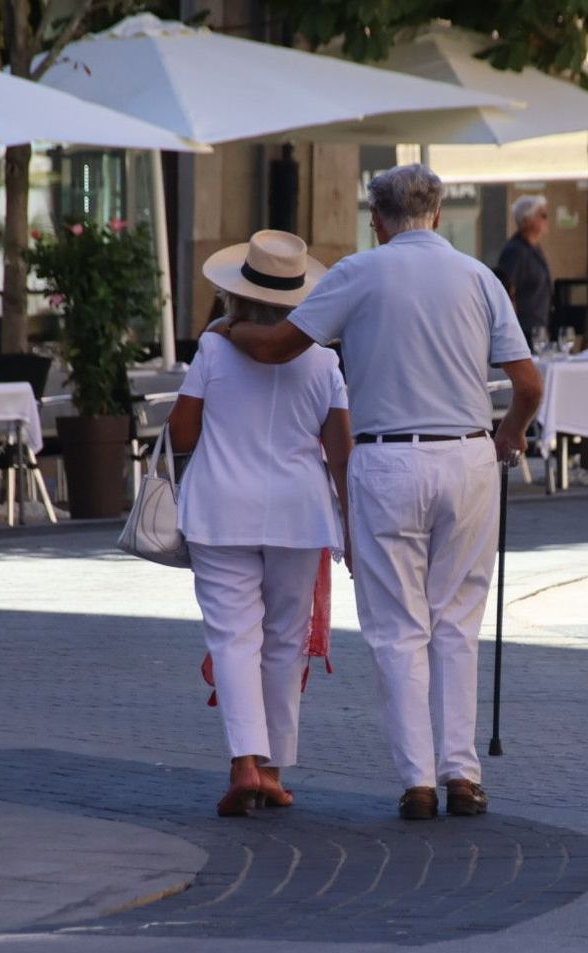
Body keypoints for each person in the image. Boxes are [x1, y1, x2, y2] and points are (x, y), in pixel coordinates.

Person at [222, 164, 543, 822]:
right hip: (467, 455)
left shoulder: (357, 274)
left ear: (376, 218)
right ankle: (463, 773)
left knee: (398, 628)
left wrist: (231, 333)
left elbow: (282, 345)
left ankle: (418, 780)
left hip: (388, 459)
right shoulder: (479, 278)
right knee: (457, 621)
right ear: (439, 211)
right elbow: (529, 382)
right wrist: (508, 433)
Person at [167, 230, 352, 817]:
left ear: (237, 297)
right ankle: (272, 766)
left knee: (233, 637)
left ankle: (244, 763)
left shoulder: (213, 350)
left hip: (220, 510)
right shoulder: (325, 360)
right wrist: (348, 520)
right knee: (284, 641)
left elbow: (181, 434)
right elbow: (340, 448)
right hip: (299, 513)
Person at [496, 193, 553, 346]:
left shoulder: (534, 248)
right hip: (523, 333)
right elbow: (505, 290)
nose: (546, 219)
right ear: (527, 220)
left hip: (539, 330)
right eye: (542, 215)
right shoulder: (515, 251)